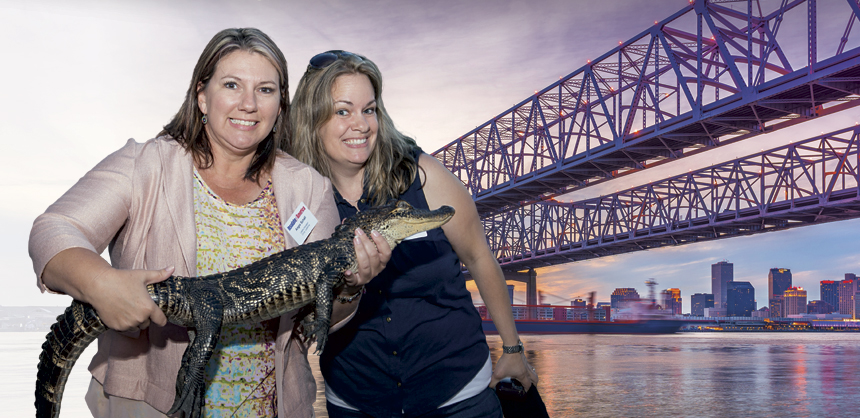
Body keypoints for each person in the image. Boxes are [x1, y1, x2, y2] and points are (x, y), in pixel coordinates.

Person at [28, 29, 389, 418]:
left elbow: (312, 321)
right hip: (155, 404)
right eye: (232, 85)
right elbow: (54, 229)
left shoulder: (309, 187)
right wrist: (102, 284)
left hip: (276, 406)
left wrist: (351, 288)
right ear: (202, 95)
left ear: (281, 104)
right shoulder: (145, 164)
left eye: (265, 90)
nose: (248, 104)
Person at [288, 50, 539, 417]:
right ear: (312, 118)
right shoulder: (299, 201)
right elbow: (312, 313)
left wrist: (513, 350)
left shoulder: (421, 175)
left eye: (369, 109)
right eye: (343, 111)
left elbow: (479, 257)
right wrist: (350, 285)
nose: (360, 124)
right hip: (358, 401)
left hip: (458, 397)